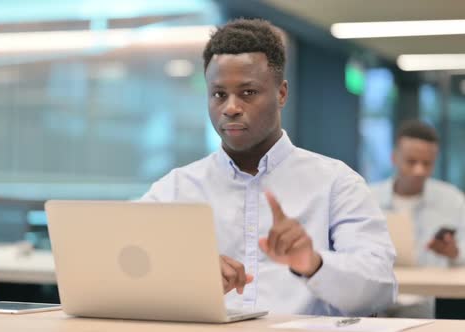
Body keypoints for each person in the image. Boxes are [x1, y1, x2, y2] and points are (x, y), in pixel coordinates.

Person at [140, 18, 396, 316]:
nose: (231, 107)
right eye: (219, 94)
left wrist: (313, 263)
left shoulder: (336, 182)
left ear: (282, 94)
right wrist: (186, 274)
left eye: (248, 92)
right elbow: (125, 274)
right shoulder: (175, 188)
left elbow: (380, 289)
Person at [371, 120, 465, 317]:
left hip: (427, 301)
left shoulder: (453, 200)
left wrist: (454, 253)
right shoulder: (368, 198)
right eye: (411, 162)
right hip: (375, 298)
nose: (419, 170)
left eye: (427, 163)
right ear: (394, 158)